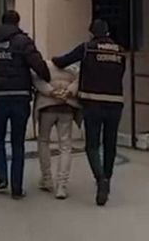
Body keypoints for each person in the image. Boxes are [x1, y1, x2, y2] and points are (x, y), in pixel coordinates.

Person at [52, 19, 126, 207]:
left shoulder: (87, 48)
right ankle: (107, 179)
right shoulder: (120, 50)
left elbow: (62, 61)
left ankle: (100, 179)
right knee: (110, 144)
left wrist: (50, 62)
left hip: (93, 102)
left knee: (92, 145)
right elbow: (121, 73)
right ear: (107, 33)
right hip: (115, 103)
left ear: (92, 34)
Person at [0, 10, 51, 200]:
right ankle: (16, 188)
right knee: (17, 143)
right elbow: (38, 65)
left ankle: (2, 178)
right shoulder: (23, 41)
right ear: (17, 23)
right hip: (19, 96)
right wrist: (48, 77)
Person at [31, 61, 81, 200]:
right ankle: (61, 186)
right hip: (66, 107)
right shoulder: (72, 68)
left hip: (46, 107)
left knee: (43, 142)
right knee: (65, 146)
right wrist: (68, 91)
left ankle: (47, 179)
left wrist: (51, 91)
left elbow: (36, 79)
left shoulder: (45, 66)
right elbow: (80, 79)